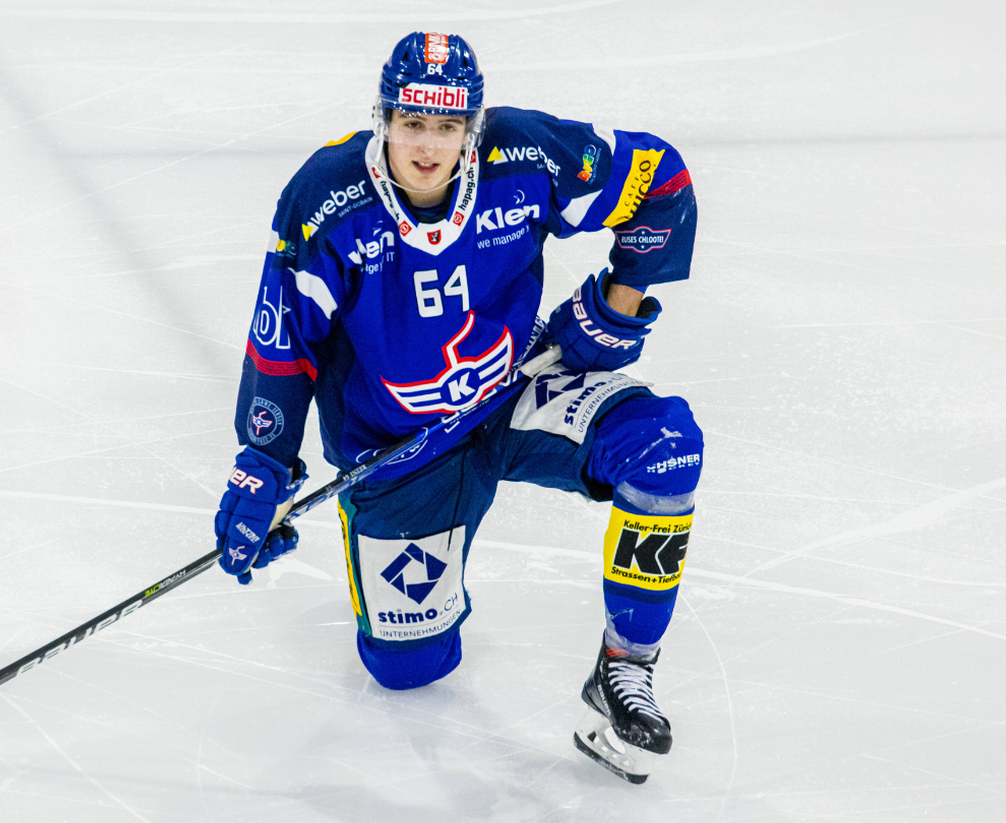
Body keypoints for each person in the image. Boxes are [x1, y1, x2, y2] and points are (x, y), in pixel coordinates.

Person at [213, 32, 702, 785]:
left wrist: (617, 302)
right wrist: (262, 465)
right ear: (384, 120)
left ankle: (623, 668)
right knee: (410, 670)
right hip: (402, 450)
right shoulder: (329, 198)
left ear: (473, 126)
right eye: (412, 123)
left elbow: (659, 181)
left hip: (516, 391)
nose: (428, 145)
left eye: (447, 127)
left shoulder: (527, 157)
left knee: (665, 449)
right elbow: (285, 342)